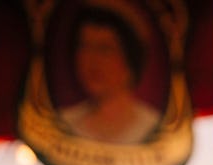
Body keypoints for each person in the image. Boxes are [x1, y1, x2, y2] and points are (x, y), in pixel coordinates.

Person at [58, 4, 160, 144]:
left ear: (130, 58)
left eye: (104, 49)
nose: (92, 60)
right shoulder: (64, 123)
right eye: (85, 47)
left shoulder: (154, 127)